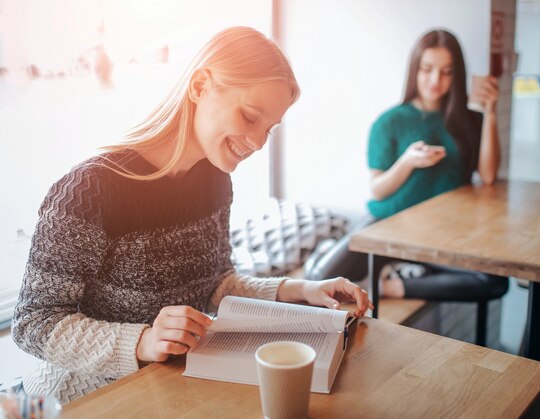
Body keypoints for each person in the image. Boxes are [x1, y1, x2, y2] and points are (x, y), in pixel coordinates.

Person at [12, 27, 373, 404]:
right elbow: (34, 322)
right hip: (76, 400)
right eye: (250, 116)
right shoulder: (90, 191)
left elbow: (215, 284)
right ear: (200, 86)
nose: (259, 143)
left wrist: (300, 290)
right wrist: (143, 340)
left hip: (164, 387)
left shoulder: (215, 180)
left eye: (269, 129)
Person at [306, 29, 506, 301]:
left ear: (456, 75)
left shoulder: (470, 120)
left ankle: (391, 285)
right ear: (415, 70)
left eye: (447, 72)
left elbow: (488, 175)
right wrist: (407, 162)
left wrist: (491, 111)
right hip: (386, 224)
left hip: (441, 233)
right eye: (427, 69)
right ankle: (389, 266)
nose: (436, 80)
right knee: (318, 279)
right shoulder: (390, 121)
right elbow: (377, 191)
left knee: (493, 282)